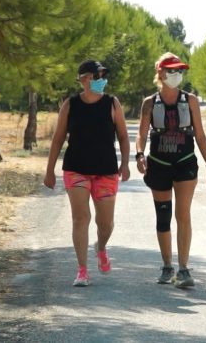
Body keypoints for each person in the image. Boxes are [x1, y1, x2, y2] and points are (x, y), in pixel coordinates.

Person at [44, 60, 131, 287]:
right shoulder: (70, 105)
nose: (102, 79)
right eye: (98, 75)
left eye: (103, 74)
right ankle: (82, 270)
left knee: (105, 223)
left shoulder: (112, 103)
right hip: (76, 169)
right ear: (84, 78)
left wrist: (125, 164)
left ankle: (101, 247)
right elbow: (58, 139)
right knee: (81, 218)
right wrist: (49, 170)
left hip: (106, 170)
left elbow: (122, 136)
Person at [135, 53, 206, 288]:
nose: (175, 75)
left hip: (185, 162)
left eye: (179, 70)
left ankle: (183, 269)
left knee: (183, 214)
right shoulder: (149, 103)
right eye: (170, 71)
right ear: (160, 73)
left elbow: (199, 134)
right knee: (163, 215)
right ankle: (167, 266)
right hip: (158, 164)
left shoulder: (189, 100)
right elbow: (141, 133)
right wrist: (139, 154)